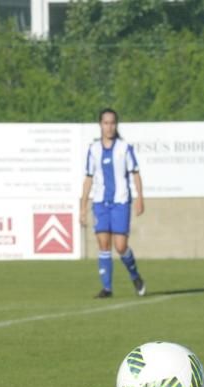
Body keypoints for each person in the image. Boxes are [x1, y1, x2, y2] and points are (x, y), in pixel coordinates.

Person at [80, 108, 146, 299]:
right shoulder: (93, 149)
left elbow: (135, 173)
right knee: (103, 244)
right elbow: (88, 178)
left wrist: (140, 198)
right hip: (100, 203)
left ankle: (135, 276)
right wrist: (83, 206)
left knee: (120, 246)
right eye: (106, 123)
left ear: (116, 125)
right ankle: (107, 288)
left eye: (112, 123)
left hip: (120, 202)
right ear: (100, 125)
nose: (109, 127)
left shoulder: (124, 148)